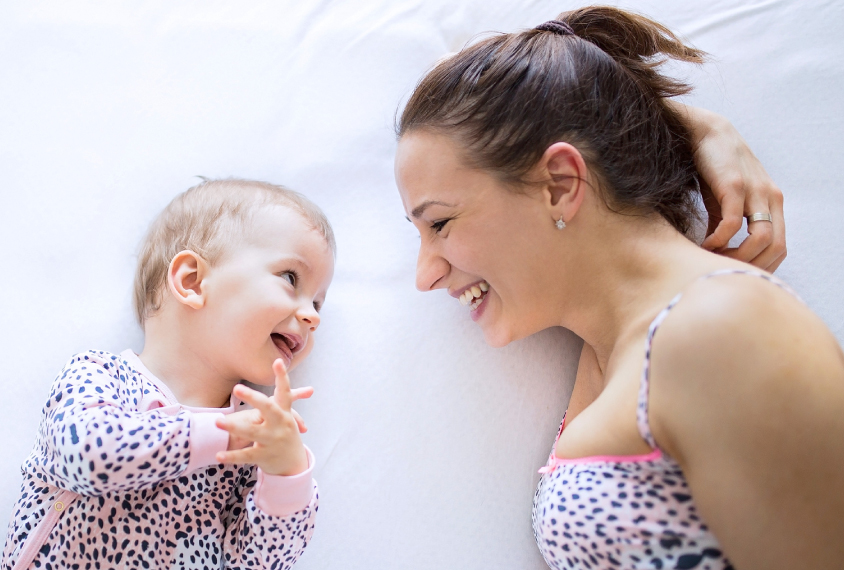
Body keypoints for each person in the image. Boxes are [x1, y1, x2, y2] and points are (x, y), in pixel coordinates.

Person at [395, 6, 843, 570]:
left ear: (559, 184)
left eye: (439, 223)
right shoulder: (613, 343)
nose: (424, 274)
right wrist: (691, 122)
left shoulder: (725, 327)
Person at [2, 179, 334, 569]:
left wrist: (287, 473)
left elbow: (257, 562)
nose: (312, 316)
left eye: (317, 302)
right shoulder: (101, 375)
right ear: (192, 281)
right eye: (291, 279)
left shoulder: (249, 456)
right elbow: (89, 458)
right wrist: (227, 432)